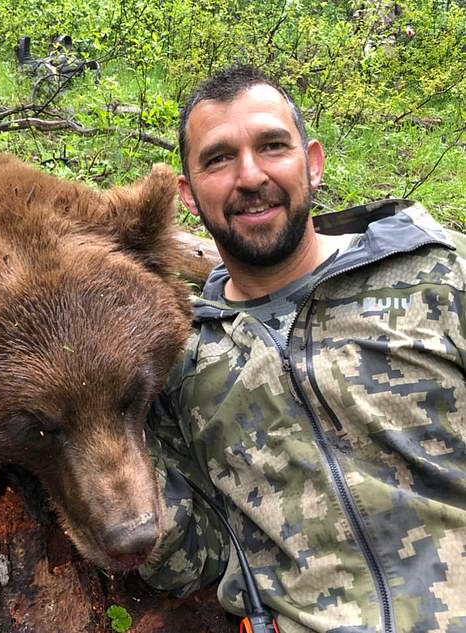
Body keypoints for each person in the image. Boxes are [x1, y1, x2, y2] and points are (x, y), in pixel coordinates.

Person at [138, 64, 466, 633]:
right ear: (187, 195)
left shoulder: (438, 274)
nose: (249, 175)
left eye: (272, 146)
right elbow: (192, 559)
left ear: (311, 163)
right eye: (218, 158)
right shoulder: (183, 360)